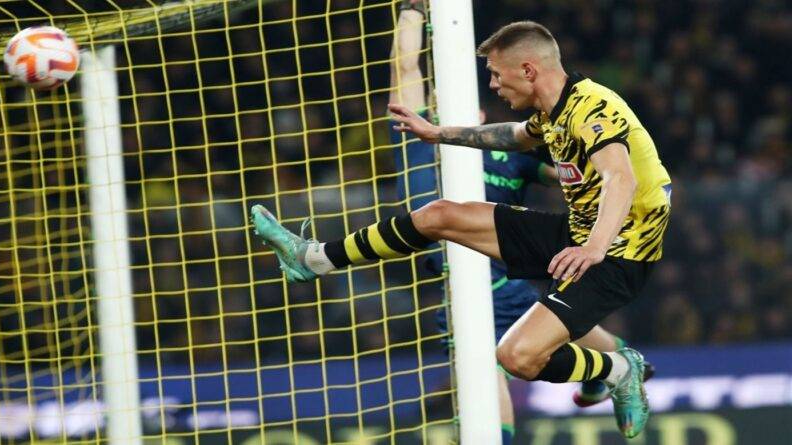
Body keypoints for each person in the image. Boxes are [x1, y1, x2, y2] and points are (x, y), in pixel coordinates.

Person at [251, 20, 671, 439]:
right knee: (439, 216)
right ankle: (314, 259)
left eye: (496, 73)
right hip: (578, 234)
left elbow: (621, 178)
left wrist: (595, 247)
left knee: (517, 357)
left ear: (527, 70)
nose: (492, 84)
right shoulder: (552, 112)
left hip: (617, 255)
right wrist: (439, 134)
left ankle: (618, 368)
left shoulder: (593, 107)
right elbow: (515, 136)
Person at [384, 2, 652, 443]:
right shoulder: (419, 148)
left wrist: (609, 210)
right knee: (490, 368)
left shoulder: (513, 156)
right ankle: (618, 365)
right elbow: (404, 66)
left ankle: (618, 366)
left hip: (501, 273)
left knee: (494, 361)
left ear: (482, 118)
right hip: (458, 281)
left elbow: (578, 176)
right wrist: (413, 10)